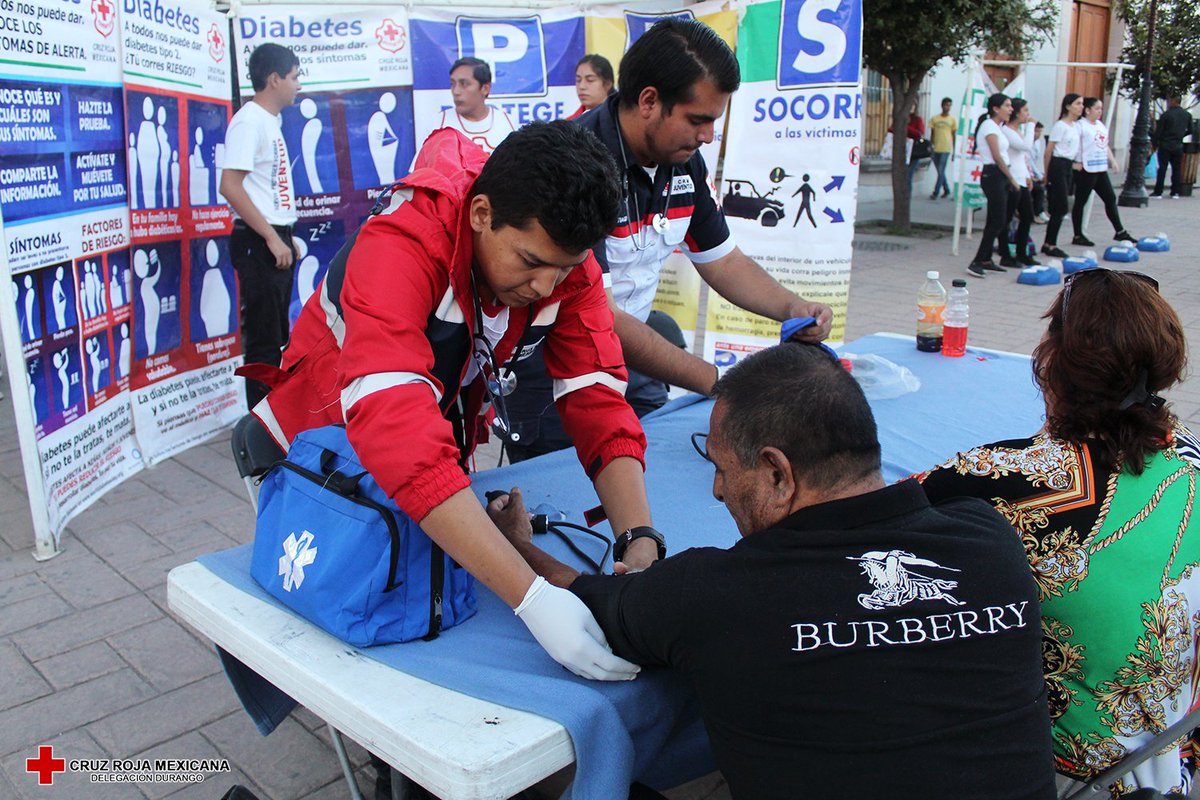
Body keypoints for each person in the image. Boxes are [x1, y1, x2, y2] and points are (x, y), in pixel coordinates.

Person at [489, 342, 1056, 799]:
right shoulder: (989, 540)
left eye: (721, 468)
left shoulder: (716, 593)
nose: (716, 490)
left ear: (778, 474)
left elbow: (581, 600)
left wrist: (517, 546)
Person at [246, 121, 662, 682]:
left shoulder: (565, 261)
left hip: (414, 457)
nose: (546, 287)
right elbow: (396, 426)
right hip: (314, 459)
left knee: (420, 608)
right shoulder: (400, 244)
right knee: (352, 644)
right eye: (531, 262)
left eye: (564, 268)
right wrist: (531, 598)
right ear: (481, 214)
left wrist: (638, 539)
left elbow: (598, 395)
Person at [917, 268, 1199, 796]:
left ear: (1054, 361)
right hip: (1171, 748)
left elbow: (868, 515)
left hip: (1064, 772)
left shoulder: (1002, 481)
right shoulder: (1190, 458)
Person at [506, 18, 832, 460]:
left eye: (714, 122)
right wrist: (719, 382)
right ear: (649, 101)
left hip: (634, 362)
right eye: (698, 120)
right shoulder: (575, 163)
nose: (707, 136)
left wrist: (791, 307)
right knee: (566, 510)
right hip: (558, 378)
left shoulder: (684, 162)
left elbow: (724, 261)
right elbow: (601, 315)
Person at [220, 43, 301, 408]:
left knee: (277, 339)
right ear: (274, 79)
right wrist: (271, 237)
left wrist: (285, 235)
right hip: (258, 240)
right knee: (264, 344)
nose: (298, 85)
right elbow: (230, 186)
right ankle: (261, 429)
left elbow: (265, 188)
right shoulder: (249, 120)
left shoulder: (269, 121)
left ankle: (275, 419)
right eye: (295, 76)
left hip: (274, 238)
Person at [967, 93, 1022, 279]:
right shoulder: (989, 126)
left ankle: (986, 259)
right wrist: (1012, 179)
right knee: (997, 220)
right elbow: (997, 157)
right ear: (996, 108)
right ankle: (976, 261)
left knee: (996, 218)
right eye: (1007, 106)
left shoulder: (998, 127)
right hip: (994, 175)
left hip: (1001, 175)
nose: (1010, 109)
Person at [1070, 97, 1136, 247]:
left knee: (1110, 198)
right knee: (1081, 201)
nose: (1100, 111)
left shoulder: (1100, 125)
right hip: (1086, 169)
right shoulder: (1080, 126)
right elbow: (1073, 146)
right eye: (1097, 108)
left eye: (1101, 108)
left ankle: (1119, 231)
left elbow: (1103, 145)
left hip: (1100, 168)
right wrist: (1074, 163)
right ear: (1087, 110)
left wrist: (1112, 160)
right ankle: (1078, 235)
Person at [434, 57, 516, 155]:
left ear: (485, 88)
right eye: (453, 84)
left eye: (464, 84)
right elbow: (420, 168)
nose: (456, 91)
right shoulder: (438, 125)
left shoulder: (508, 124)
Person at [999, 98, 1040, 267]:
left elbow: (1022, 156)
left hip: (1021, 178)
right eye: (1025, 111)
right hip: (1012, 179)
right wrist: (1031, 126)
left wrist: (1028, 175)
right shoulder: (1006, 130)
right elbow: (1025, 146)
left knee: (1027, 216)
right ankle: (1005, 254)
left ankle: (1022, 252)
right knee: (1006, 218)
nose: (1028, 115)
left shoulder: (1017, 131)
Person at [1041, 93, 1083, 259]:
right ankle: (1050, 244)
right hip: (1057, 166)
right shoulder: (1060, 126)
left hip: (1067, 165)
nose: (1080, 107)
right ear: (1068, 106)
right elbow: (1049, 151)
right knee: (1060, 206)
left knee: (1062, 206)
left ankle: (1049, 242)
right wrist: (1046, 173)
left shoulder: (1075, 126)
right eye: (1077, 104)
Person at [1151, 95, 1193, 199]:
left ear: (1173, 101)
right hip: (1178, 145)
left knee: (1162, 168)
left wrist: (1155, 144)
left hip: (1165, 144)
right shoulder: (1187, 115)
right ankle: (1175, 192)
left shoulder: (1166, 115)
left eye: (1169, 100)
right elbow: (1191, 130)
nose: (1168, 102)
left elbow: (1158, 132)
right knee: (1177, 169)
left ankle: (1158, 192)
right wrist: (1181, 135)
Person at [568, 54, 614, 119]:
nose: (581, 86)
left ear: (608, 84)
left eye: (590, 80)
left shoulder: (623, 121)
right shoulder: (568, 125)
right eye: (578, 80)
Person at [929, 96, 956, 199]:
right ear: (942, 105)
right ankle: (947, 189)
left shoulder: (952, 120)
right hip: (936, 148)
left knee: (941, 170)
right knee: (940, 171)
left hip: (946, 148)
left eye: (949, 105)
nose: (947, 107)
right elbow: (932, 133)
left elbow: (954, 135)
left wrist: (954, 151)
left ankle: (935, 192)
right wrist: (931, 146)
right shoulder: (935, 119)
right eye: (946, 105)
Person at [903, 104, 927, 193]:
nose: (911, 108)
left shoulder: (918, 119)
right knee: (902, 176)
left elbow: (920, 133)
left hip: (914, 152)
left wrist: (907, 127)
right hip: (902, 150)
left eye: (913, 106)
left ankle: (906, 198)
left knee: (908, 176)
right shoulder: (901, 118)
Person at [1030, 121, 1048, 222]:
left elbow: (1036, 161)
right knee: (1039, 189)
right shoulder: (1027, 142)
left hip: (1033, 172)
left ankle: (1040, 211)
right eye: (1036, 131)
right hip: (1028, 173)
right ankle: (1037, 213)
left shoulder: (1037, 143)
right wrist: (1038, 175)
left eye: (1040, 132)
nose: (1038, 134)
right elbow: (1029, 161)